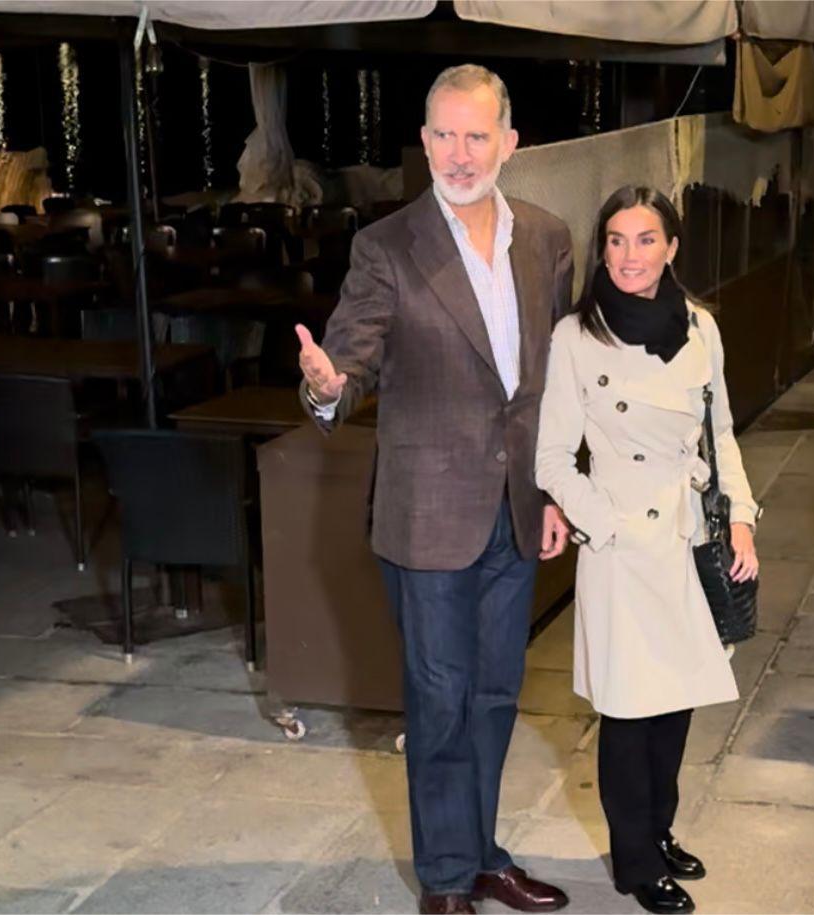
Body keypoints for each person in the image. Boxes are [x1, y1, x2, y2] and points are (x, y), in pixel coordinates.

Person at [295, 64, 574, 915]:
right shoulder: (387, 246)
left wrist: (557, 492)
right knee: (440, 696)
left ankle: (483, 852)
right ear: (423, 142)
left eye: (476, 135)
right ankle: (447, 877)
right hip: (427, 514)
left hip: (516, 509)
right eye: (444, 135)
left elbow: (553, 384)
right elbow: (351, 358)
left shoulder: (548, 238)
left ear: (509, 143)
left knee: (495, 694)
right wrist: (327, 385)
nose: (459, 154)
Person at [534, 186, 760, 915]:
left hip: (687, 533)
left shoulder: (700, 327)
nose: (629, 256)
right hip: (623, 544)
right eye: (616, 240)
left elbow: (720, 434)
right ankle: (634, 861)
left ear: (671, 247)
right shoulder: (576, 336)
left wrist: (742, 519)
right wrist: (605, 525)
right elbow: (551, 458)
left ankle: (659, 829)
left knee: (676, 701)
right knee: (630, 711)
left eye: (645, 239)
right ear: (602, 250)